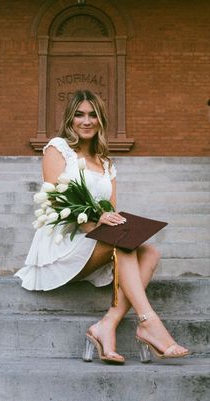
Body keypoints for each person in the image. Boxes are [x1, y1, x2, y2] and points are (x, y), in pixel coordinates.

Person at [15, 89, 189, 364]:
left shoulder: (106, 163)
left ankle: (107, 324)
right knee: (123, 244)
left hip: (96, 238)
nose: (86, 121)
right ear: (70, 119)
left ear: (101, 120)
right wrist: (96, 220)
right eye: (79, 115)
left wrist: (111, 219)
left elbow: (111, 210)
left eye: (93, 115)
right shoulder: (58, 148)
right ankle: (149, 323)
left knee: (151, 252)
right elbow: (56, 200)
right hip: (62, 244)